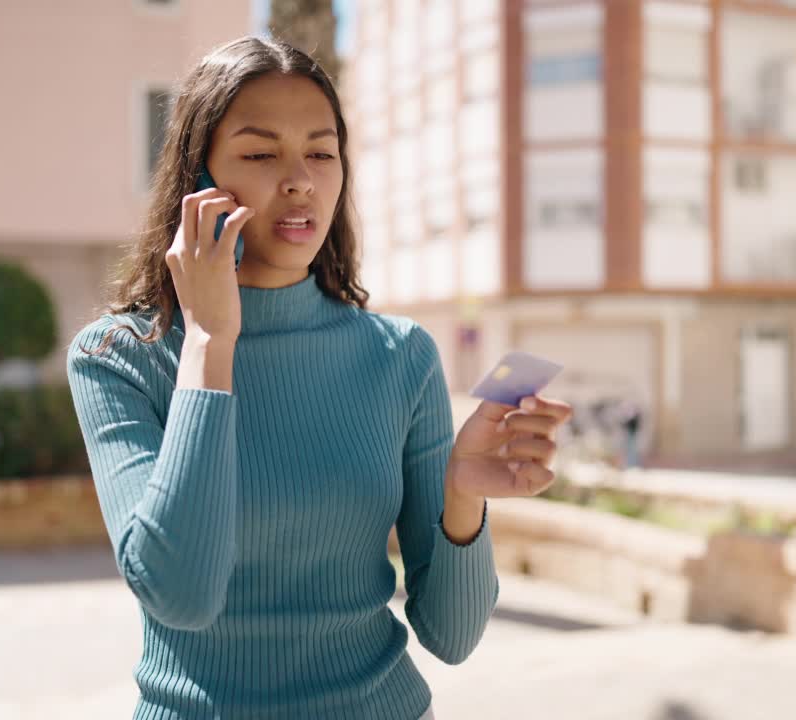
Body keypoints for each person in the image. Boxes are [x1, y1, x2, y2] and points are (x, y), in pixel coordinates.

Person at [67, 37, 573, 720]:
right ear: (198, 182)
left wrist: (461, 497)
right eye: (260, 152)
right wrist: (211, 342)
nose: (300, 178)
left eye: (321, 151)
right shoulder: (118, 357)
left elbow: (453, 639)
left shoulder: (401, 357)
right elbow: (180, 593)